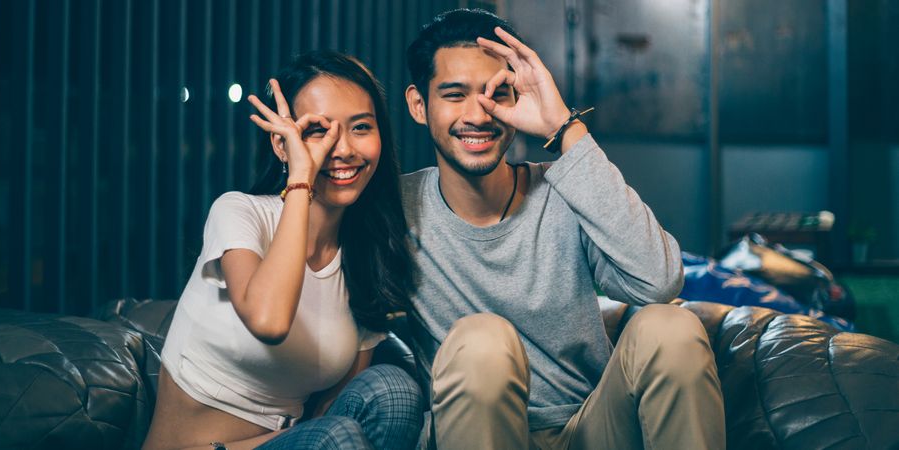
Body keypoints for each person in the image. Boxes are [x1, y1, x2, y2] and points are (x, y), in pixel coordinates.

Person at [400, 9, 725, 449]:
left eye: (497, 93)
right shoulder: (393, 209)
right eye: (454, 95)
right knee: (482, 339)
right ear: (419, 105)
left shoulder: (563, 188)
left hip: (592, 428)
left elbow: (659, 281)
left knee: (671, 326)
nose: (479, 114)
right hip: (479, 432)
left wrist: (564, 129)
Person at [143, 51, 422, 450]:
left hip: (294, 440)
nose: (342, 149)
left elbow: (334, 411)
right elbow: (269, 320)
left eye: (361, 127)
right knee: (337, 438)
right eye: (318, 131)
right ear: (282, 144)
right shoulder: (238, 213)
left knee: (394, 390)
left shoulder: (365, 255)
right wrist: (301, 178)